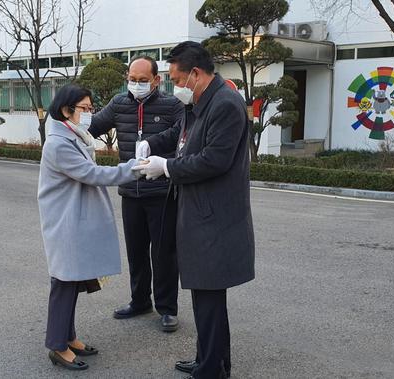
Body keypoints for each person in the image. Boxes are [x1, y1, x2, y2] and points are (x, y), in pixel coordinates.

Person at [133, 41, 255, 379]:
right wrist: (152, 145)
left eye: (176, 79)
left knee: (210, 300)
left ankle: (212, 369)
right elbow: (179, 134)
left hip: (215, 221)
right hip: (201, 216)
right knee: (206, 300)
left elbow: (215, 160)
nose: (175, 87)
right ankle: (210, 360)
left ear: (196, 74)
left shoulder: (226, 104)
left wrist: (167, 167)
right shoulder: (202, 101)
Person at [37, 84, 139, 371]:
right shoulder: (58, 143)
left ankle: (67, 336)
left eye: (90, 108)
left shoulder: (71, 135)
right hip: (65, 220)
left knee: (72, 280)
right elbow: (91, 174)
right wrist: (134, 168)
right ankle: (57, 346)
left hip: (73, 218)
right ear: (66, 110)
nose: (89, 114)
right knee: (64, 282)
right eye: (85, 108)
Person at [89, 55, 184, 332]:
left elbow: (184, 131)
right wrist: (69, 119)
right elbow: (92, 127)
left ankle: (167, 309)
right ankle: (140, 300)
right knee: (136, 251)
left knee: (164, 253)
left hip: (161, 191)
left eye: (143, 81)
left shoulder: (172, 105)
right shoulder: (119, 103)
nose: (136, 85)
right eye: (132, 80)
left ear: (157, 80)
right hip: (131, 191)